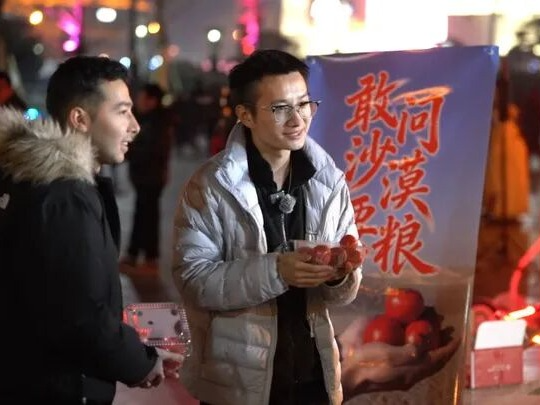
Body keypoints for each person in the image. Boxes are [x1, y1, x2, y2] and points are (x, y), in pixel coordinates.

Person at [172, 49, 362, 405]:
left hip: (312, 375)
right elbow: (193, 281)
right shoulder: (212, 185)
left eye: (304, 104)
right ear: (245, 114)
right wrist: (277, 271)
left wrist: (339, 274)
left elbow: (342, 294)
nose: (297, 119)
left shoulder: (329, 181)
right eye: (279, 108)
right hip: (237, 381)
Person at [0, 56, 182, 404]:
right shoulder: (65, 195)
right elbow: (81, 316)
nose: (134, 126)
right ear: (80, 119)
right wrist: (141, 363)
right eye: (122, 112)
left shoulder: (34, 179)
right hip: (55, 386)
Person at [121, 82, 173, 272]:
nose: (138, 101)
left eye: (142, 98)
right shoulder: (150, 120)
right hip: (146, 175)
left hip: (150, 176)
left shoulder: (155, 123)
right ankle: (142, 255)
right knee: (144, 214)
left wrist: (129, 151)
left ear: (152, 101)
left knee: (146, 216)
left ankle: (144, 256)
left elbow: (151, 150)